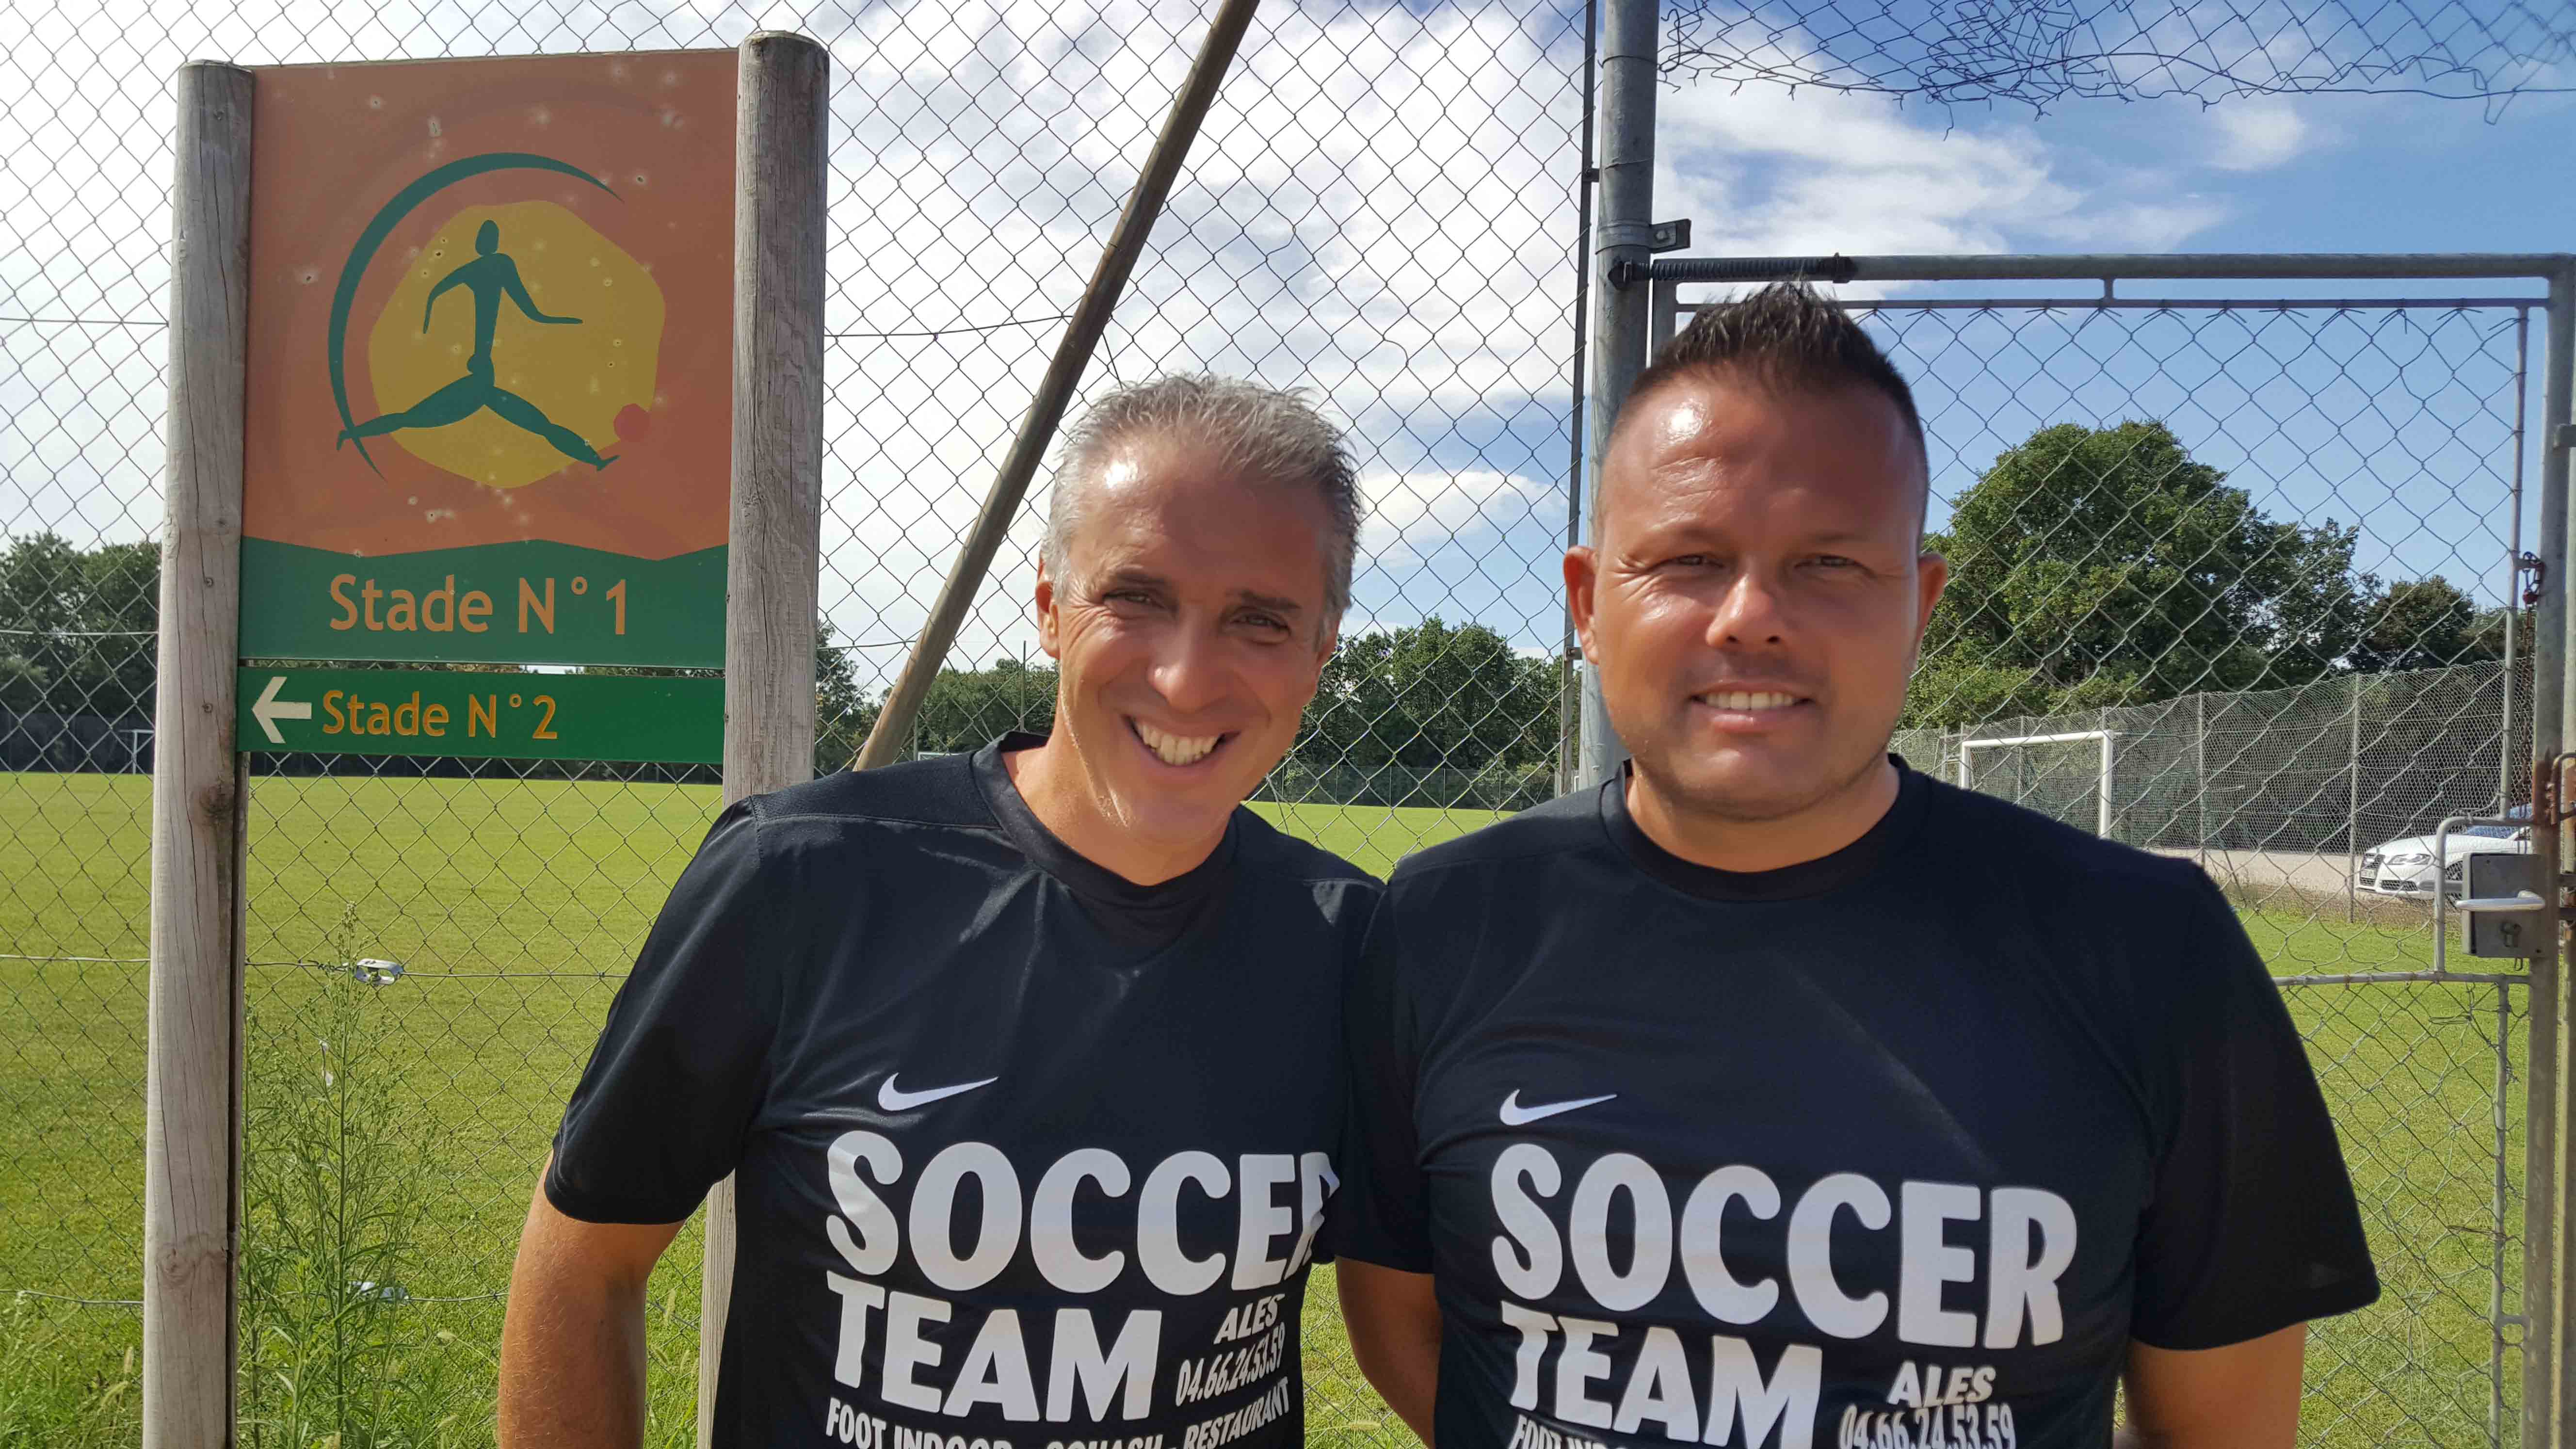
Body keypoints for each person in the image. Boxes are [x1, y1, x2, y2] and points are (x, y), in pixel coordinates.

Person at [1331, 283, 2378, 1449]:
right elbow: (1409, 1332)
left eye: (1828, 562)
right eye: (1687, 559)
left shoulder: (2150, 946)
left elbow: (2219, 1430)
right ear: (1587, 602)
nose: (1749, 617)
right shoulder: (1443, 919)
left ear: (1919, 603)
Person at [498, 374, 1377, 1449]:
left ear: (1321, 650)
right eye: (1136, 597)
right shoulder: (805, 878)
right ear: (1050, 608)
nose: (1186, 679)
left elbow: (1432, 1311)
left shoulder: (1356, 946)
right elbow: (585, 1261)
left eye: (1259, 620)